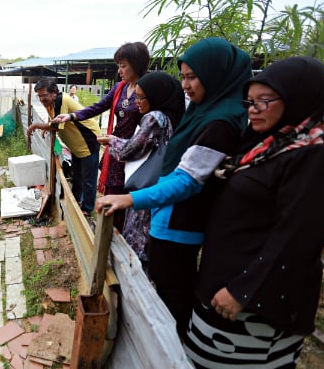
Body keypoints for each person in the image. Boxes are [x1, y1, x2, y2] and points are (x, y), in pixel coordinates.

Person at [95, 37, 252, 337]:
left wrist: (129, 199)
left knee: (173, 292)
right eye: (183, 77)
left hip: (181, 221)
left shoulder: (220, 123)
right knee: (164, 283)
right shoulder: (200, 113)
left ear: (216, 75)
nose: (186, 85)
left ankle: (171, 350)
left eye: (193, 77)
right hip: (167, 215)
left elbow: (186, 182)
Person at [184, 57, 324, 368]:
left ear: (297, 99)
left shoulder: (315, 154)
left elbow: (299, 234)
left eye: (264, 101)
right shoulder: (269, 145)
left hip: (251, 303)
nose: (252, 109)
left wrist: (243, 290)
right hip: (224, 283)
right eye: (250, 101)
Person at [53, 41, 149, 232]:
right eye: (118, 66)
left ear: (136, 64)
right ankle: (110, 233)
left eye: (123, 66)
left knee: (130, 191)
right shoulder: (120, 88)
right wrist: (72, 116)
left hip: (136, 150)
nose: (119, 71)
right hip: (115, 149)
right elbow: (99, 106)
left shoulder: (147, 88)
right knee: (113, 189)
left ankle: (123, 235)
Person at [97, 71, 185, 266]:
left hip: (145, 187)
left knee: (138, 241)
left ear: (155, 96)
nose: (137, 102)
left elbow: (131, 150)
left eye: (140, 97)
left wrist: (112, 141)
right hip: (160, 186)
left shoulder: (154, 118)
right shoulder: (172, 118)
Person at [27, 77, 101, 215]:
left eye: (44, 95)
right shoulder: (52, 102)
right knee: (77, 174)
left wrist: (36, 125)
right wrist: (46, 127)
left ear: (54, 93)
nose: (42, 99)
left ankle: (87, 208)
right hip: (76, 144)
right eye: (39, 96)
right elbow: (53, 118)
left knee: (88, 177)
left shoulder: (61, 100)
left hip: (88, 139)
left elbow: (56, 126)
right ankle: (76, 201)